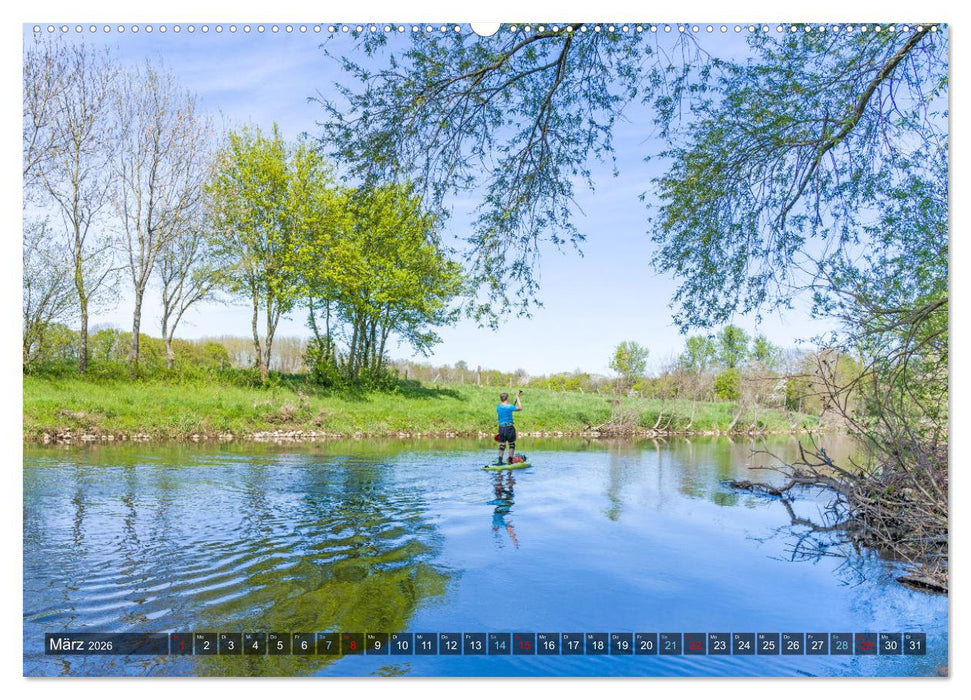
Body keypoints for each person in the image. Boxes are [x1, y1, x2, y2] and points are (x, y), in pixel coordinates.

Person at [495, 390, 522, 465]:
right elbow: (520, 408)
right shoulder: (510, 406)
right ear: (507, 399)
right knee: (511, 444)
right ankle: (510, 460)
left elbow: (498, 417)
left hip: (501, 428)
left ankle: (500, 461)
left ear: (501, 399)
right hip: (509, 428)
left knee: (502, 445)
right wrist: (518, 398)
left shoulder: (498, 407)